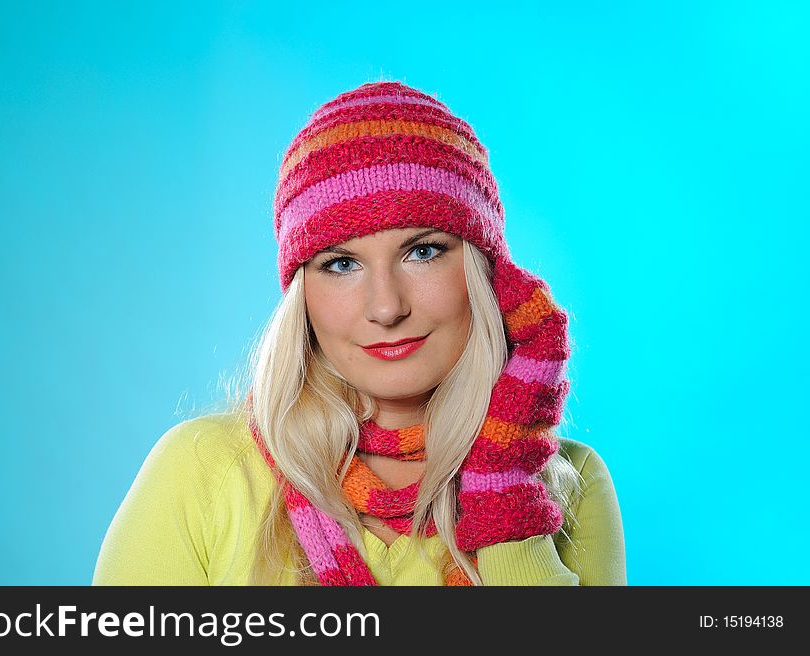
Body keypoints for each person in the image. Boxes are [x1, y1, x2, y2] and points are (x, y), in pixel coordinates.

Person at [92, 80, 627, 586]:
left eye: (424, 251)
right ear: (303, 294)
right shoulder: (201, 470)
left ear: (489, 276)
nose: (386, 307)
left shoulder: (568, 484)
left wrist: (507, 495)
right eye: (341, 263)